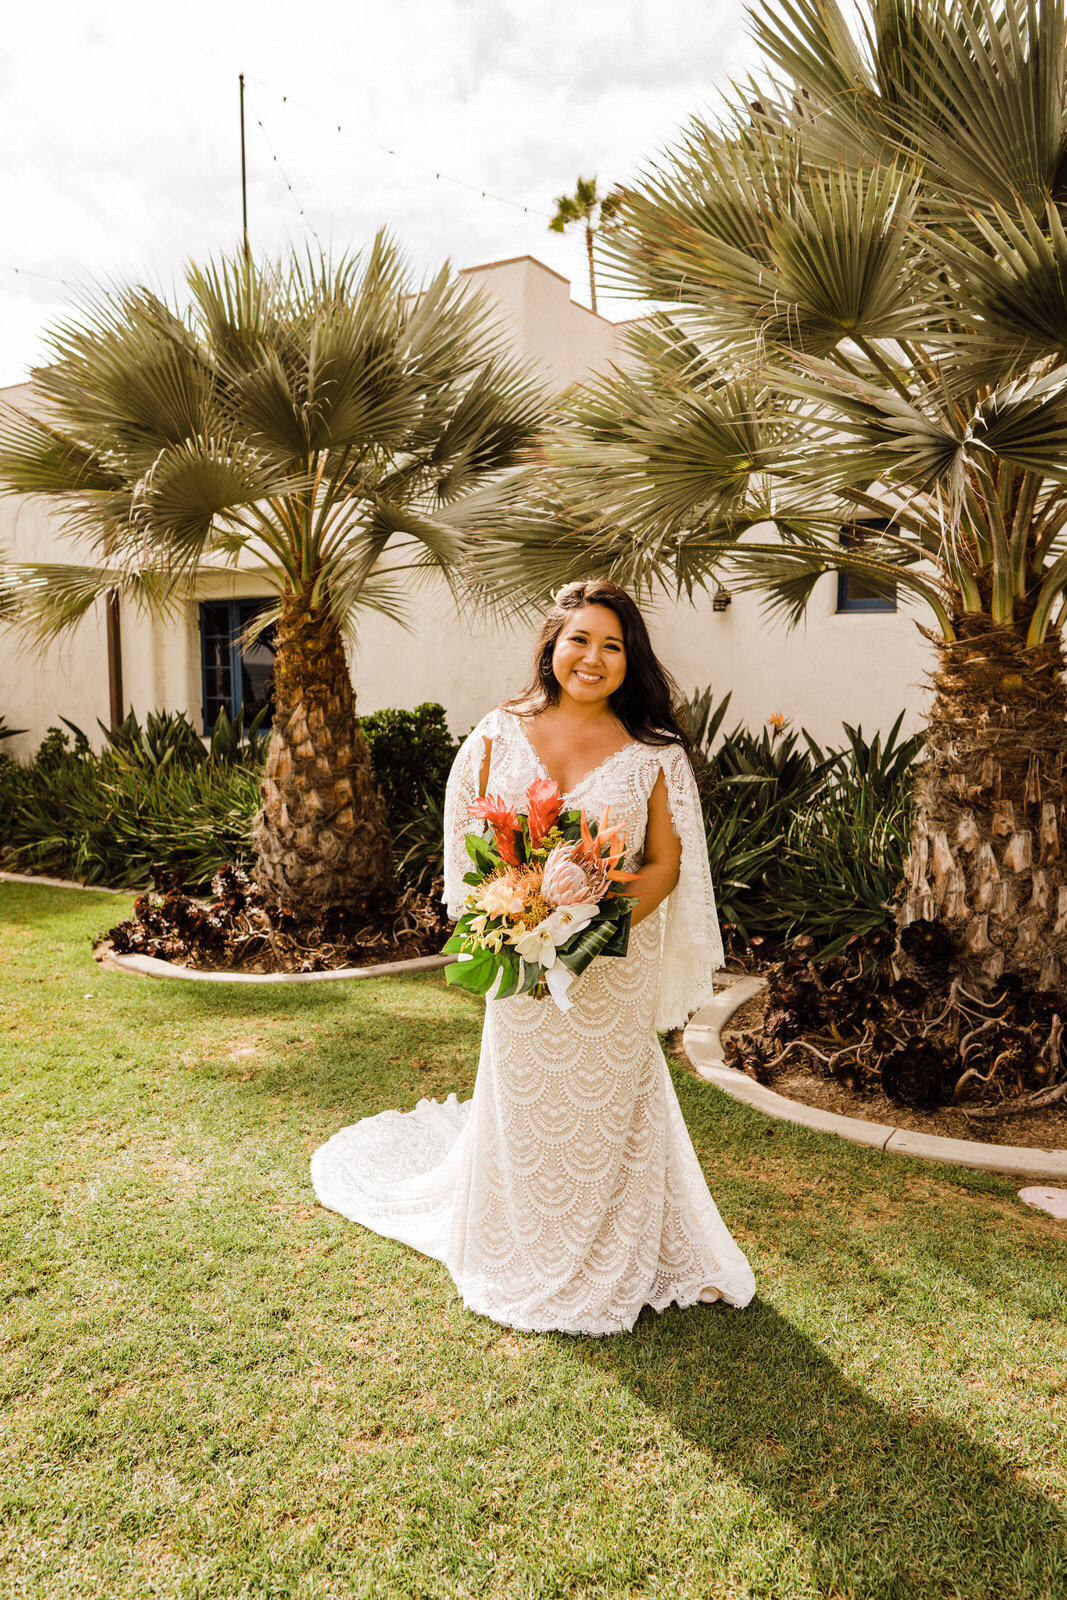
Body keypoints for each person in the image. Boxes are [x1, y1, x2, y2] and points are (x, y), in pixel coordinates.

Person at [311, 580, 755, 1334]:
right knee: (523, 1103)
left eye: (612, 646)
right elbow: (468, 849)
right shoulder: (496, 733)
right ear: (551, 645)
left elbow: (663, 866)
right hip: (519, 959)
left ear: (630, 661)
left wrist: (587, 925)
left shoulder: (654, 753)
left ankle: (632, 1248)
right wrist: (522, 925)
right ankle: (520, 1244)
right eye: (579, 639)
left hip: (613, 964)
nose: (593, 657)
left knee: (612, 1101)